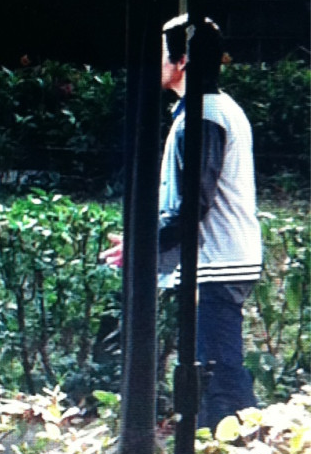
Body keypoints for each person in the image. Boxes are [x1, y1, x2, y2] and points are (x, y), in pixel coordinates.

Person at [101, 15, 262, 430]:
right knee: (216, 374)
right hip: (221, 262)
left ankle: (240, 440)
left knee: (218, 379)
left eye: (160, 52)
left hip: (216, 265)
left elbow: (192, 206)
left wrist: (142, 243)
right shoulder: (214, 110)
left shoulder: (203, 116)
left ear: (183, 60)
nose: (153, 62)